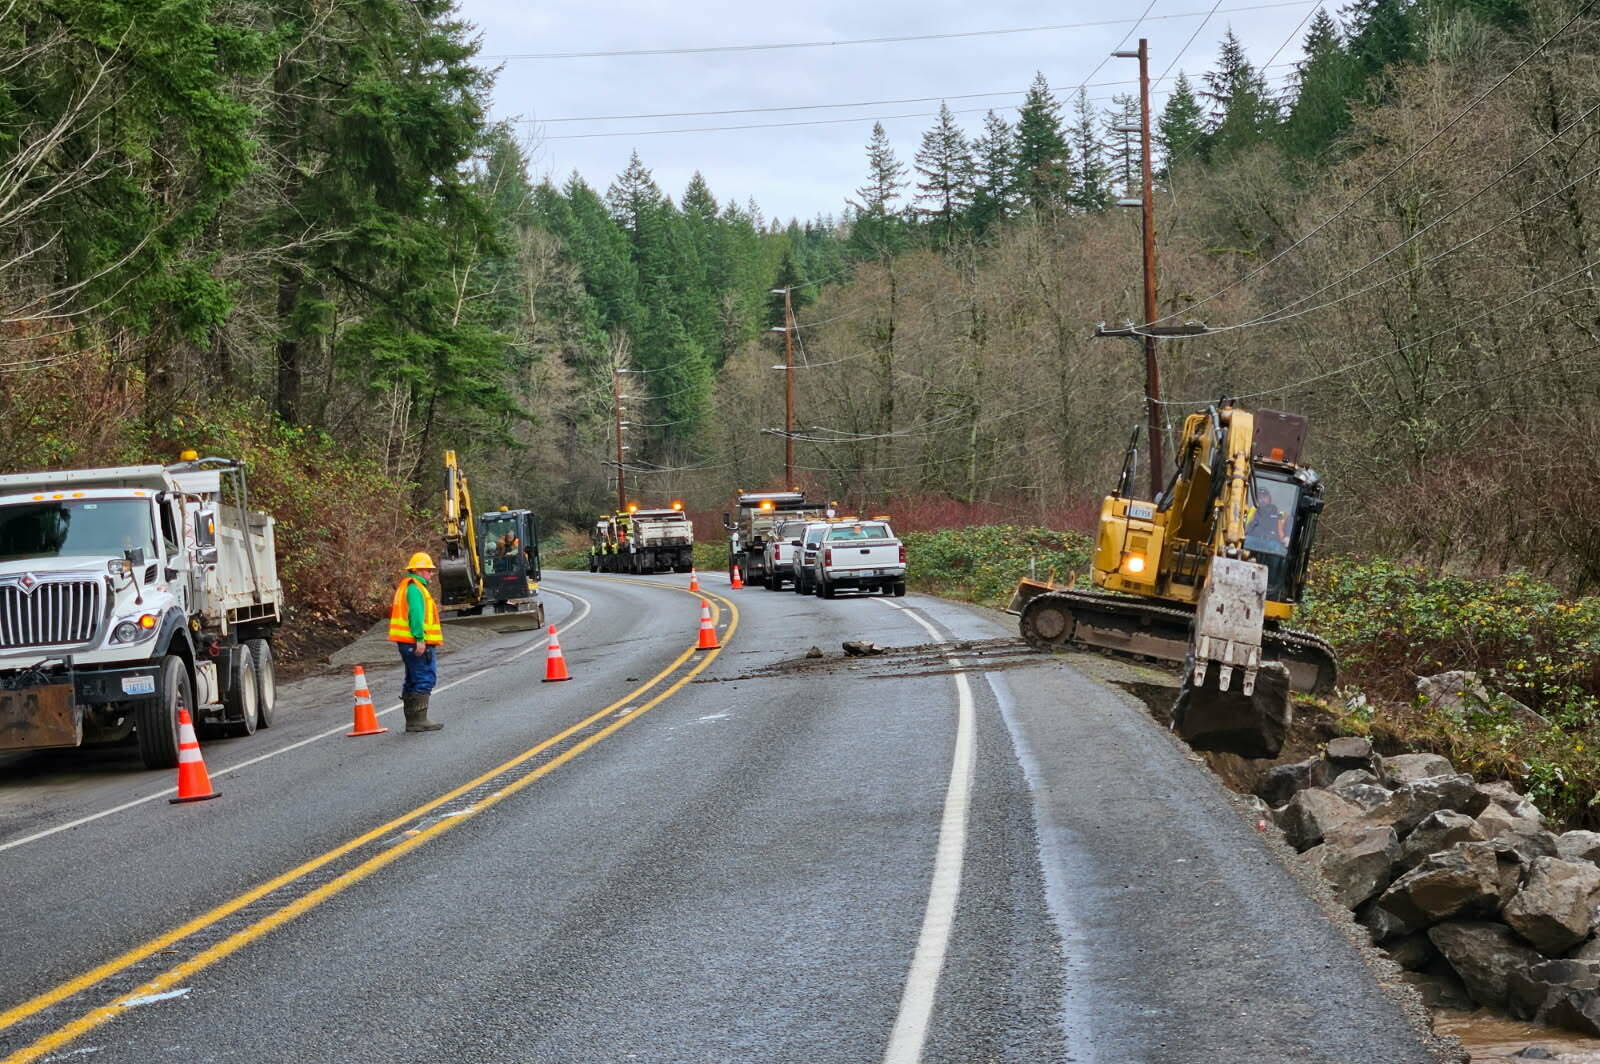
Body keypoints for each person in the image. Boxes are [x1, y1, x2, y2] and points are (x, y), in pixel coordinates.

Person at [388, 551, 445, 733]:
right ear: (419, 570)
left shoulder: (407, 586)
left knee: (412, 678)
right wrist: (420, 639)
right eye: (428, 570)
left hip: (406, 641)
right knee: (424, 677)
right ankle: (418, 720)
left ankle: (413, 720)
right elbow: (416, 615)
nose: (431, 574)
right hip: (417, 642)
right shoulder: (415, 588)